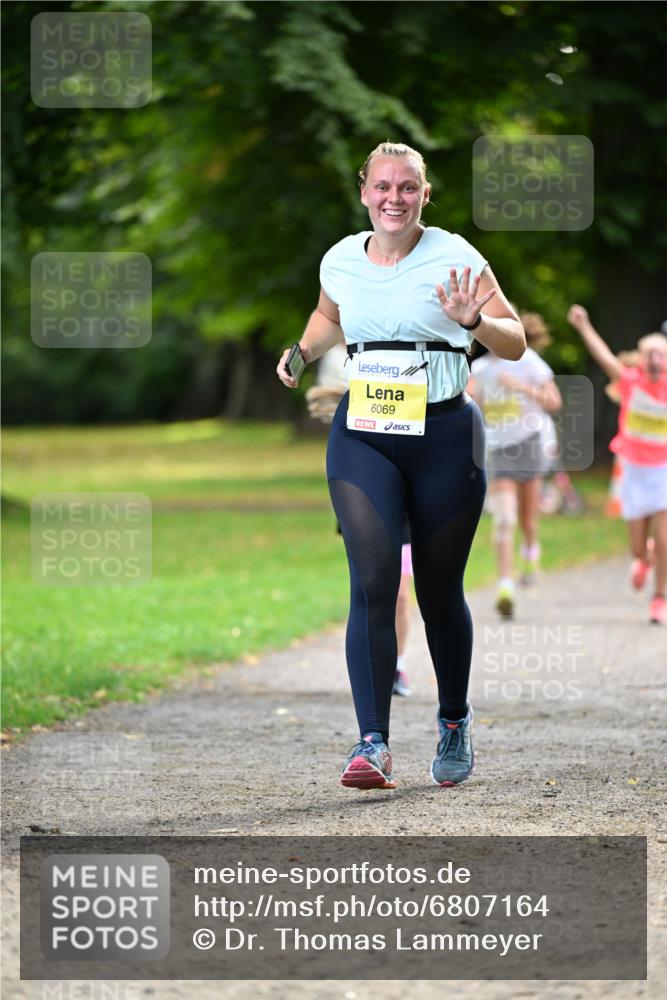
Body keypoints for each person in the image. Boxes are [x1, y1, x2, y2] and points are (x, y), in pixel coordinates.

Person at [277, 141, 525, 790]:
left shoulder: (456, 257)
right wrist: (301, 352)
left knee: (440, 592)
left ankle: (451, 721)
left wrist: (476, 323)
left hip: (444, 437)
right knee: (372, 582)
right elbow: (329, 312)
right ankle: (372, 743)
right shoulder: (340, 258)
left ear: (423, 193)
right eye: (383, 186)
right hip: (362, 434)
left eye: (407, 187)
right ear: (364, 191)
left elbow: (515, 338)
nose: (394, 198)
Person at [306, 343, 414, 697]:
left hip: (412, 478)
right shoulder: (339, 354)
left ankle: (397, 667)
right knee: (371, 586)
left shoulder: (413, 348)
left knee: (400, 591)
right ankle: (374, 668)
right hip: (364, 479)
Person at [567, 305, 667, 624]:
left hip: (663, 471)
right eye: (649, 354)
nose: (655, 360)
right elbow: (604, 356)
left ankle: (659, 598)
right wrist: (584, 326)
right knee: (638, 548)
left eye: (661, 355)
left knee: (665, 538)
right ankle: (644, 558)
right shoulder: (629, 382)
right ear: (641, 358)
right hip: (635, 473)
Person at [468, 311, 562, 616]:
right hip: (498, 450)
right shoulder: (479, 369)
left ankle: (531, 552)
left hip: (529, 442)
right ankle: (505, 587)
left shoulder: (529, 361)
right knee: (505, 518)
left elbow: (554, 402)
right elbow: (473, 404)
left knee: (527, 519)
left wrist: (520, 387)